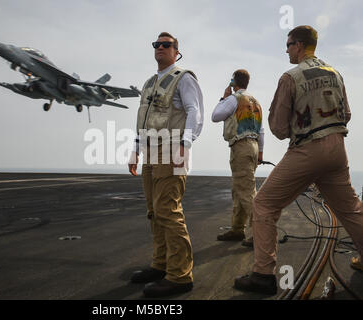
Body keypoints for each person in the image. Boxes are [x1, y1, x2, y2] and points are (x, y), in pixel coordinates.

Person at [234, 25, 363, 295]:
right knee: (351, 209)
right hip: (338, 149)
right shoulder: (335, 73)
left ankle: (263, 274)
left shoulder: (290, 77)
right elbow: (347, 114)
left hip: (307, 149)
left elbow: (279, 129)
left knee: (264, 205)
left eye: (289, 44)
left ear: (300, 45)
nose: (286, 49)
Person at [128, 32, 204, 298]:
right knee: (154, 211)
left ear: (176, 51)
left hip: (172, 150)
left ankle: (181, 275)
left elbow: (194, 111)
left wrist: (186, 144)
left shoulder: (184, 78)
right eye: (157, 44)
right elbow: (142, 119)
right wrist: (135, 150)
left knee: (168, 211)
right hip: (150, 153)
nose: (160, 47)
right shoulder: (150, 83)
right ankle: (160, 265)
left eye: (166, 45)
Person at [212, 69, 264, 247]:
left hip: (240, 146)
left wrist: (223, 98)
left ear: (234, 82)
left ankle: (261, 234)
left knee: (246, 191)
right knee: (239, 187)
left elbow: (215, 116)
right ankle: (237, 228)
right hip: (254, 146)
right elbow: (261, 130)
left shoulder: (234, 99)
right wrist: (261, 153)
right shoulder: (255, 102)